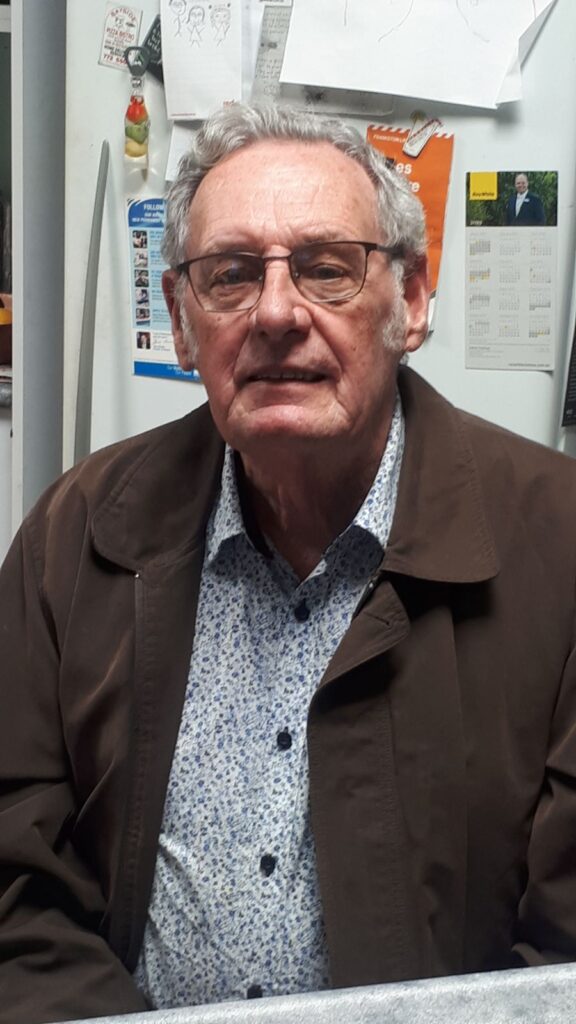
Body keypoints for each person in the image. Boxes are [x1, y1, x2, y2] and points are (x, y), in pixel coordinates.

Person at [1, 104, 576, 1024]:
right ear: (182, 324)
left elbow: (564, 954)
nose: (275, 313)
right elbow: (16, 876)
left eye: (327, 267)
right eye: (231, 274)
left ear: (412, 302)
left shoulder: (560, 544)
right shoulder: (76, 535)